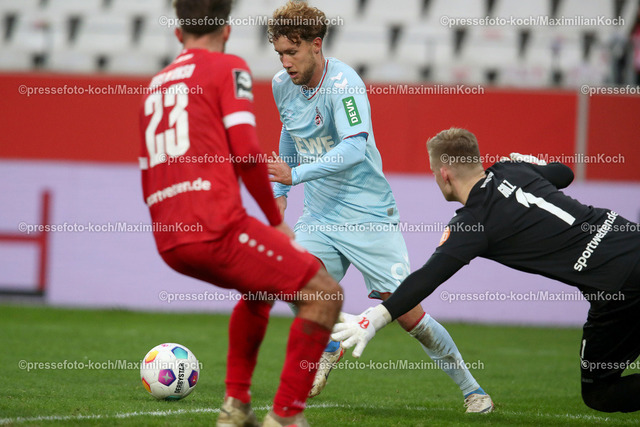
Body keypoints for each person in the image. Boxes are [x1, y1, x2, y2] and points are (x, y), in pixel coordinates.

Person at [266, 1, 493, 413]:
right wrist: (280, 190)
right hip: (319, 216)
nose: (285, 62)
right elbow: (289, 130)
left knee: (408, 314)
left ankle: (472, 389)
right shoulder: (282, 84)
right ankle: (330, 342)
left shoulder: (345, 84)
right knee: (294, 283)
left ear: (316, 45)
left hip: (367, 216)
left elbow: (354, 148)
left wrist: (294, 176)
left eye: (292, 52)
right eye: (279, 53)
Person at [333, 127, 640, 413]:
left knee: (600, 392)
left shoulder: (473, 223)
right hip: (630, 238)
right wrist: (536, 164)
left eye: (433, 172)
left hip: (617, 285)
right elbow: (564, 174)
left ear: (444, 174)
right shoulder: (511, 169)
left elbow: (427, 277)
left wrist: (375, 318)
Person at [138, 1, 343, 426]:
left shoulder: (156, 85)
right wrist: (275, 220)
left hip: (168, 239)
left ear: (178, 34)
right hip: (215, 227)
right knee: (324, 295)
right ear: (227, 31)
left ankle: (236, 407)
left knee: (259, 289)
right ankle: (286, 416)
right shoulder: (227, 67)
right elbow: (248, 153)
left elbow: (148, 170)